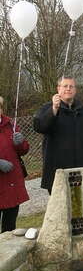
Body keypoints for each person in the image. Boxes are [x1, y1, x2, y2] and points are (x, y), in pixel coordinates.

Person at [33, 77, 83, 195]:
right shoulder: (47, 108)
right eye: (65, 86)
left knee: (78, 205)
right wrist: (54, 109)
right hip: (58, 170)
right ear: (58, 89)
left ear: (75, 90)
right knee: (61, 208)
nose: (68, 89)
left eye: (71, 86)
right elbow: (39, 127)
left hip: (80, 168)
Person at [0, 96, 30, 232]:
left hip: (12, 182)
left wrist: (21, 142)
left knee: (10, 226)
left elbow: (23, 150)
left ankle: (8, 252)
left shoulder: (10, 125)